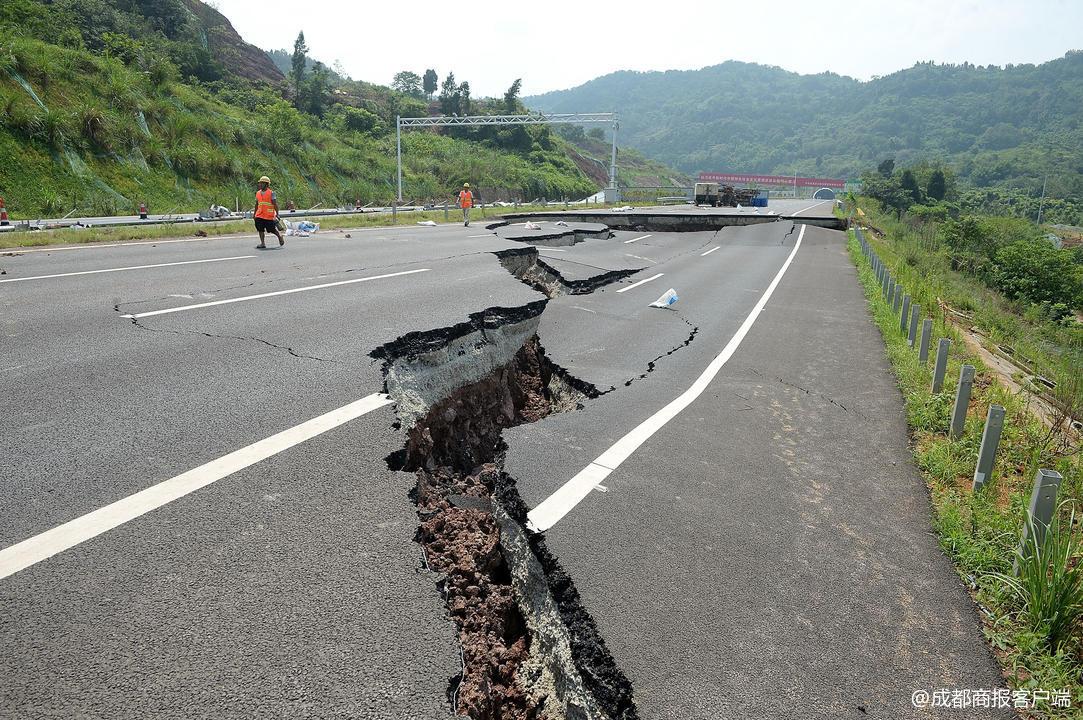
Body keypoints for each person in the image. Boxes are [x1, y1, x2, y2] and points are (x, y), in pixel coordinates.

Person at [253, 175, 284, 248]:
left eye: (262, 183)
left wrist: (277, 214)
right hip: (259, 215)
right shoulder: (257, 193)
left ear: (266, 184)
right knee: (260, 229)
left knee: (272, 229)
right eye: (260, 183)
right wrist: (254, 214)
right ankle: (262, 243)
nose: (260, 184)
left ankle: (279, 236)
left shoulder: (271, 193)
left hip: (268, 216)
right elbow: (257, 204)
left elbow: (275, 204)